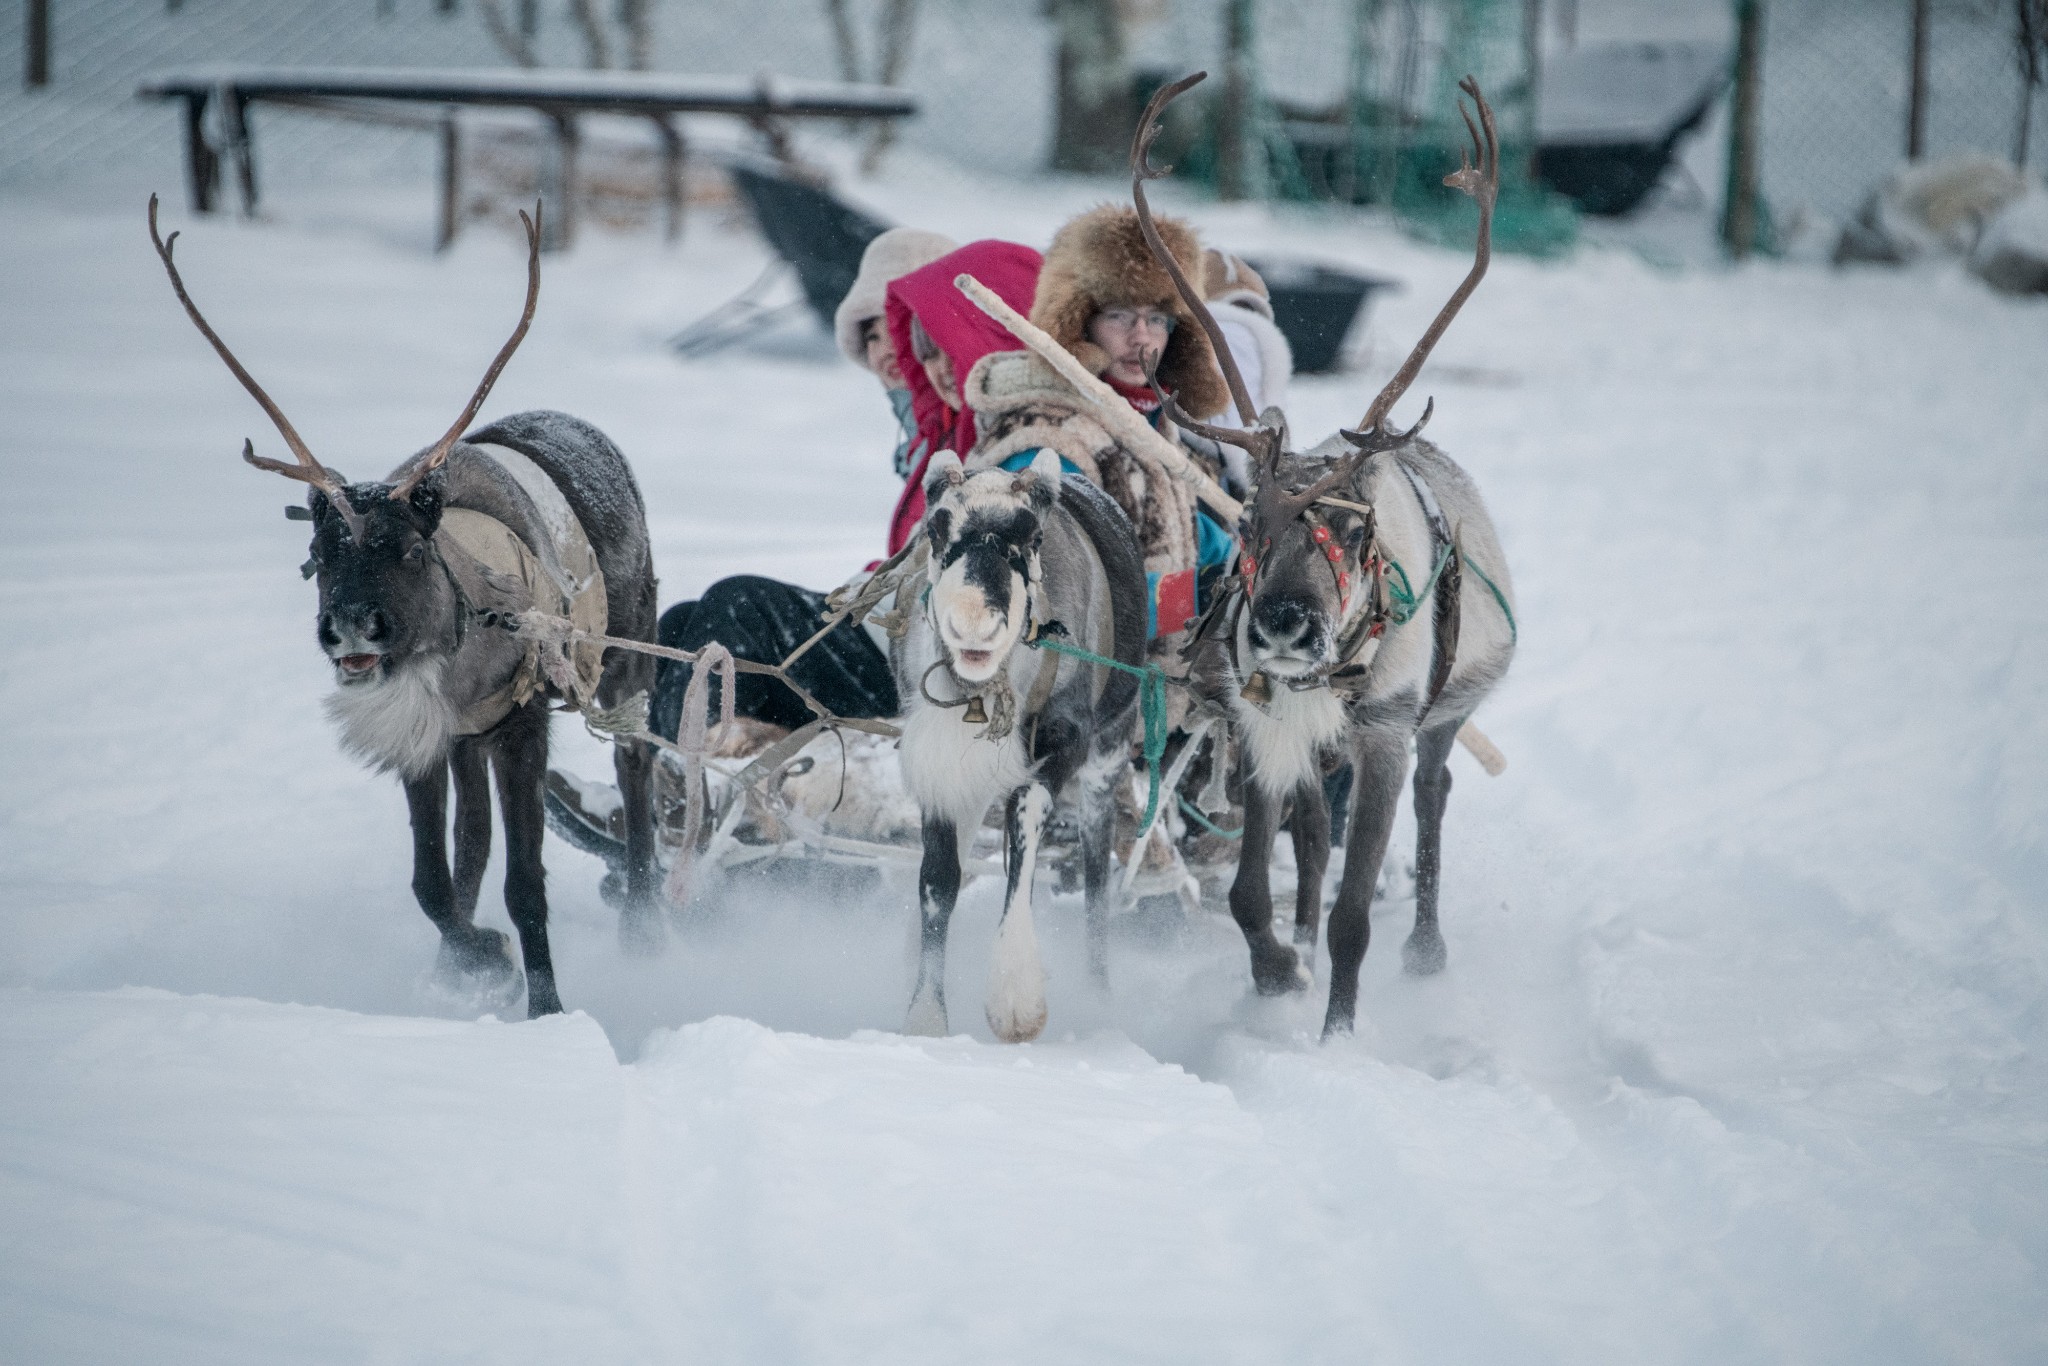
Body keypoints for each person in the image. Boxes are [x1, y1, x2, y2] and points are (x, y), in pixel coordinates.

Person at [646, 237, 1040, 743]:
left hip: (925, 660)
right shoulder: (942, 432)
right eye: (873, 337)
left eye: (910, 334)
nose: (888, 354)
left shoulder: (1004, 442)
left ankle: (680, 769)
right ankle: (672, 774)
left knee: (739, 606)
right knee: (682, 629)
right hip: (898, 630)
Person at [960, 205, 1235, 645]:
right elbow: (1060, 606)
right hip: (1076, 702)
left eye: (1157, 320)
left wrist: (1244, 561)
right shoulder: (1048, 440)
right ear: (1078, 323)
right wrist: (1190, 600)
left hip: (1143, 690)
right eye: (1120, 315)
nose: (1141, 337)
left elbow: (1185, 534)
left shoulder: (1143, 424)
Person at [1197, 249, 1294, 497]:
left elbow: (1223, 429)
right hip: (1260, 477)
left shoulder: (1218, 336)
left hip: (1215, 475)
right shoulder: (1261, 343)